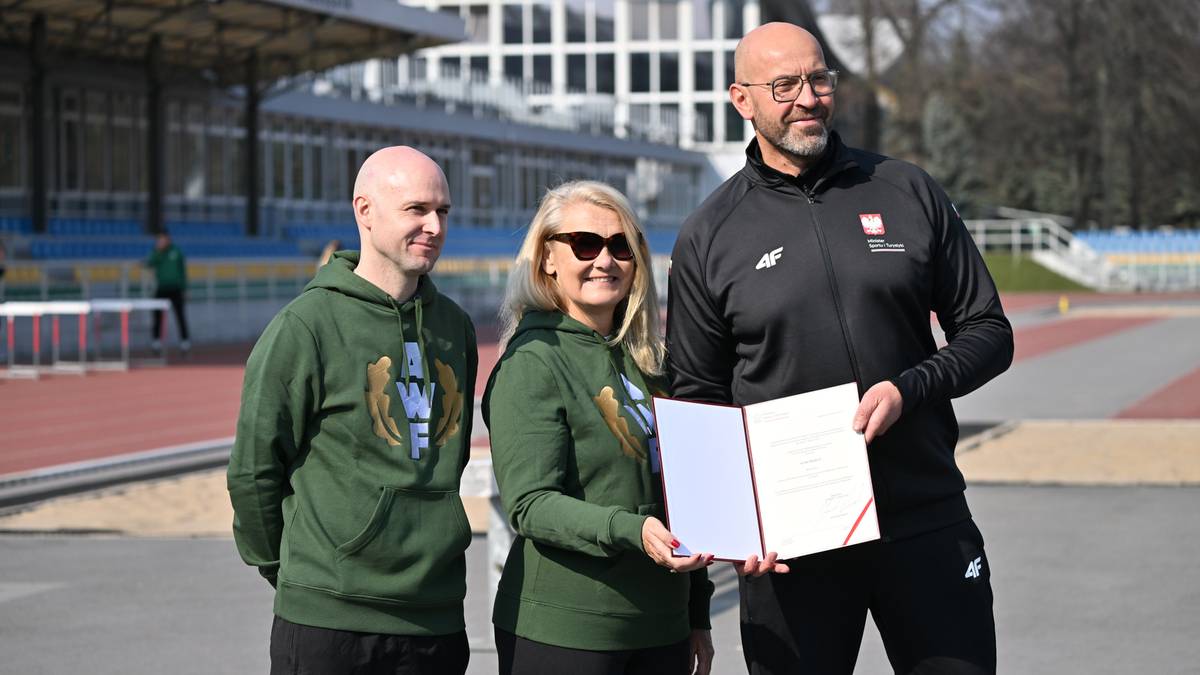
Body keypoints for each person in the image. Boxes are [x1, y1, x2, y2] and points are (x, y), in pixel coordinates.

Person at [667, 22, 1014, 675]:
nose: (807, 98)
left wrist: (910, 388)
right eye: (784, 85)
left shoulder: (906, 190)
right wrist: (734, 527)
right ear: (742, 100)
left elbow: (989, 331)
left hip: (924, 514)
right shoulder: (709, 234)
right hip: (792, 544)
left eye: (818, 79)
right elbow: (697, 398)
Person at [227, 146, 478, 675]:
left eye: (443, 211)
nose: (434, 226)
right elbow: (254, 470)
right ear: (365, 211)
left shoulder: (455, 327)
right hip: (329, 621)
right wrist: (297, 572)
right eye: (416, 209)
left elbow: (447, 460)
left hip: (435, 618)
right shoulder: (305, 326)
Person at [484, 180, 716, 675]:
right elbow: (530, 504)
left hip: (662, 628)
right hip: (566, 633)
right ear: (548, 258)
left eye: (621, 245)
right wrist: (632, 529)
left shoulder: (652, 363)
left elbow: (682, 494)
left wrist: (697, 612)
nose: (605, 260)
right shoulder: (533, 361)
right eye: (585, 244)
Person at [144, 231, 190, 353]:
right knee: (157, 315)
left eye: (163, 239)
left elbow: (182, 271)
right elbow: (150, 263)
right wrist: (158, 251)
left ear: (168, 239)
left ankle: (185, 341)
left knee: (180, 316)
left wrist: (185, 288)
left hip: (176, 288)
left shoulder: (176, 252)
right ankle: (156, 341)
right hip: (162, 288)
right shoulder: (157, 252)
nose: (161, 242)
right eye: (159, 240)